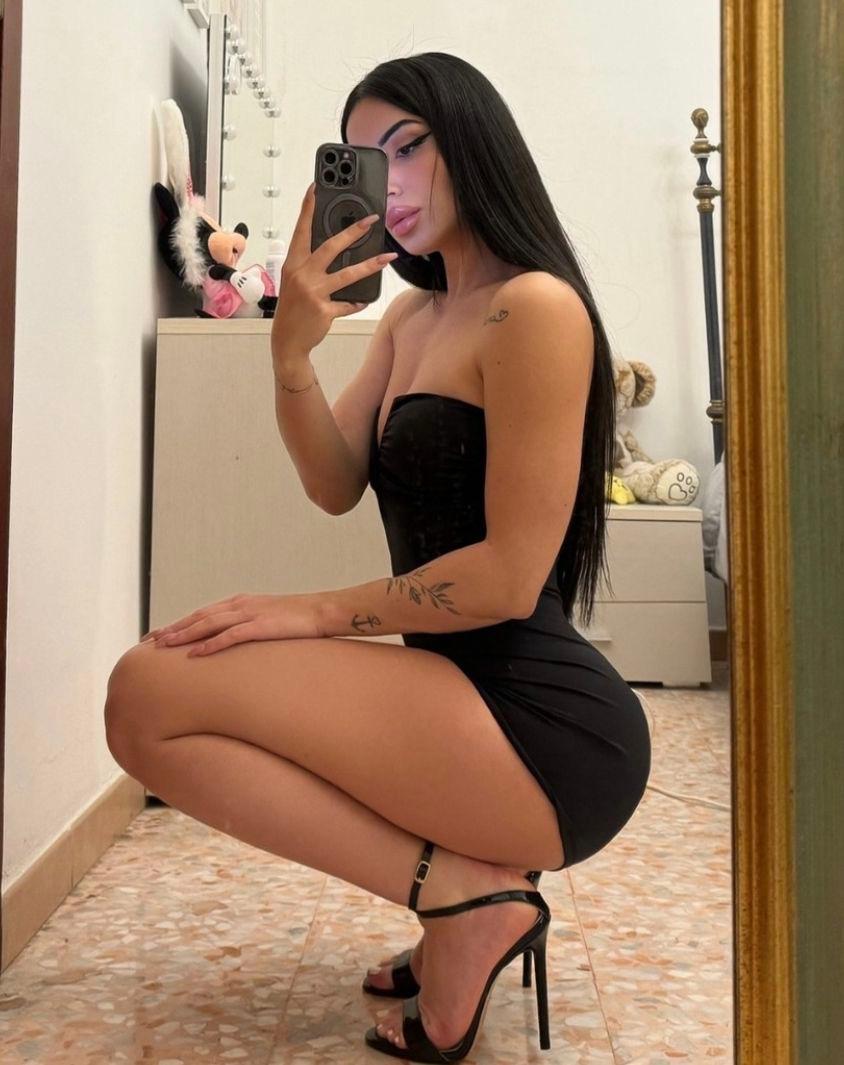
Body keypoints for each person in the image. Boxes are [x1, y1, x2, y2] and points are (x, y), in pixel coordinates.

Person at [104, 51, 651, 1062]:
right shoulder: (413, 316)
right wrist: (290, 351)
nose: (386, 182)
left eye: (406, 148)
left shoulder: (535, 308)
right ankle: (465, 892)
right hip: (452, 689)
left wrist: (310, 612)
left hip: (542, 725)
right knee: (147, 696)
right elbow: (333, 480)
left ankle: (464, 900)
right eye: (362, 158)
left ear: (471, 142)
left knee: (152, 690)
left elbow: (507, 577)